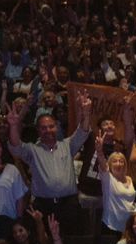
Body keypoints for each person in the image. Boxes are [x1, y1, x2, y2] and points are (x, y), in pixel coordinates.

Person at [7, 95, 91, 225]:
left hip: (69, 204)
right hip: (43, 205)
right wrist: (13, 125)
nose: (48, 130)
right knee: (44, 243)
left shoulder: (67, 145)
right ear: (38, 130)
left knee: (72, 242)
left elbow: (83, 131)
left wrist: (86, 112)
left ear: (56, 127)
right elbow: (15, 146)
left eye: (51, 126)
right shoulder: (32, 150)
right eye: (43, 128)